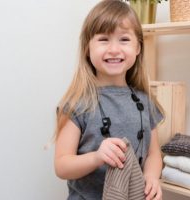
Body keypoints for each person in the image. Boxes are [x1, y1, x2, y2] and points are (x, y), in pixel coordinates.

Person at [54, 0, 164, 199]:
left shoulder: (145, 101)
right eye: (104, 39)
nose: (114, 49)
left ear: (138, 47)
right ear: (88, 47)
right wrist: (96, 157)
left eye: (124, 39)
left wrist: (151, 177)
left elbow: (154, 154)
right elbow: (62, 166)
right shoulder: (78, 104)